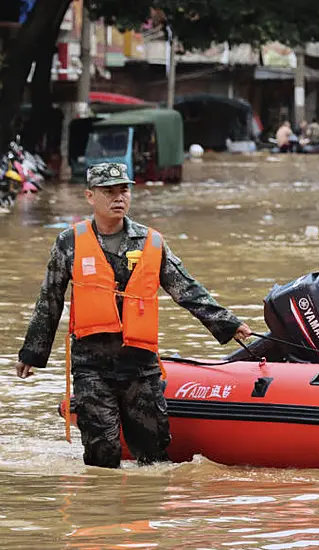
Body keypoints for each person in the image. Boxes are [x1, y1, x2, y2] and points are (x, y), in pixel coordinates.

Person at [14, 163, 252, 468]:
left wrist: (228, 324)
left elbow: (187, 289)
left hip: (141, 364)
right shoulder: (69, 242)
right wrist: (32, 352)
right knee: (102, 452)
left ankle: (142, 510)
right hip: (92, 364)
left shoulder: (151, 241)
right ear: (90, 196)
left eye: (124, 190)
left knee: (153, 455)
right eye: (109, 192)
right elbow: (49, 299)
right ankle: (102, 512)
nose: (118, 198)